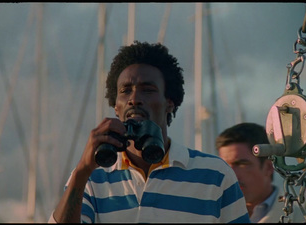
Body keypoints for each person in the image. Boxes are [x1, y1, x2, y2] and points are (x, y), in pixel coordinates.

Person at [49, 41, 250, 223]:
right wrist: (83, 169)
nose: (134, 98)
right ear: (116, 107)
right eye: (125, 90)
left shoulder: (215, 174)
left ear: (169, 103)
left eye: (148, 89)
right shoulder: (92, 178)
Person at [215, 122, 306, 223]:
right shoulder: (206, 216)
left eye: (241, 164)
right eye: (224, 166)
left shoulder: (303, 218)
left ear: (268, 167)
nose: (230, 174)